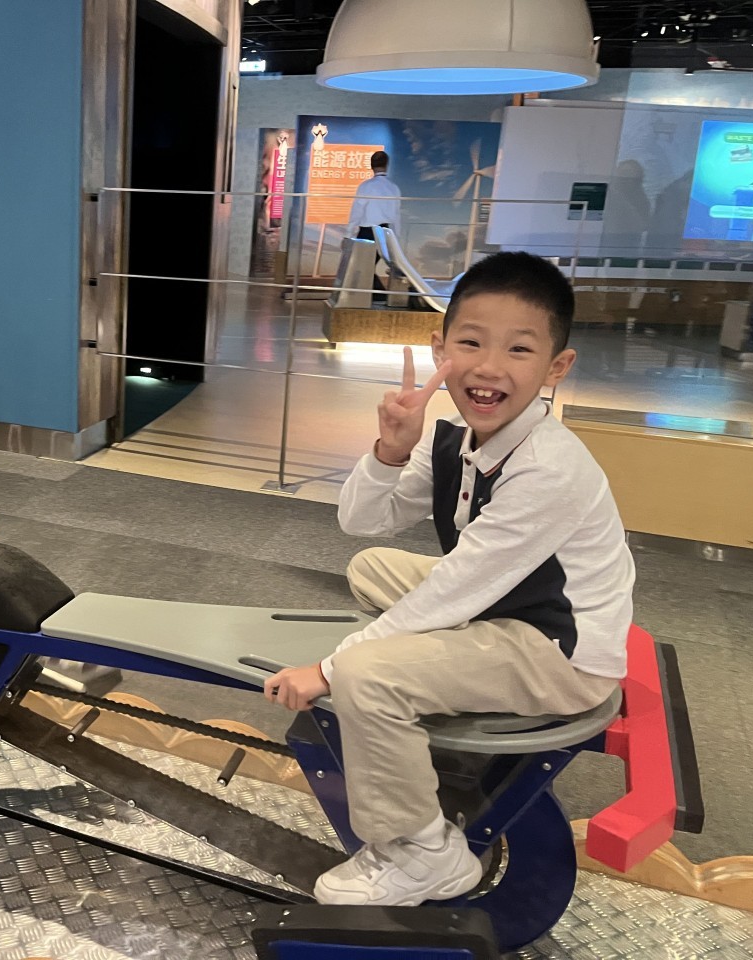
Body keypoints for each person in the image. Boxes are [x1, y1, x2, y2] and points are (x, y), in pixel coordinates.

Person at [264, 251, 634, 907]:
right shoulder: (457, 437)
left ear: (556, 367)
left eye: (519, 349)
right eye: (471, 342)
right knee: (370, 568)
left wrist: (329, 668)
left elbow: (458, 587)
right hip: (507, 605)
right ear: (441, 349)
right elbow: (362, 521)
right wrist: (391, 448)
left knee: (365, 673)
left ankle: (423, 854)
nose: (489, 366)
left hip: (561, 653)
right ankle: (431, 671)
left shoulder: (548, 468)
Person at [346, 151, 403, 302]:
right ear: (387, 165)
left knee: (363, 267)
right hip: (385, 232)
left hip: (367, 233)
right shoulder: (394, 188)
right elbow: (396, 215)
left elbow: (357, 211)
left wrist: (348, 234)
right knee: (367, 267)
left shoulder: (366, 186)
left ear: (371, 166)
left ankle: (378, 296)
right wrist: (396, 238)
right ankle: (377, 296)